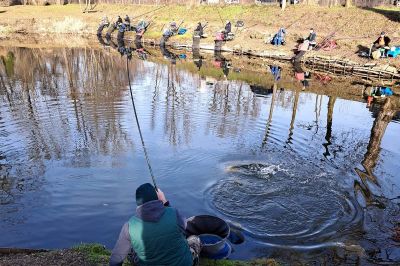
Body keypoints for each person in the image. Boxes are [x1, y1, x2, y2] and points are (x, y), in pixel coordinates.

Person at [109, 183, 201, 266]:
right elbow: (184, 227)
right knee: (195, 240)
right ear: (157, 198)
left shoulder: (129, 227)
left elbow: (115, 260)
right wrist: (165, 202)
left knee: (131, 250)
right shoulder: (173, 213)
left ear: (138, 204)